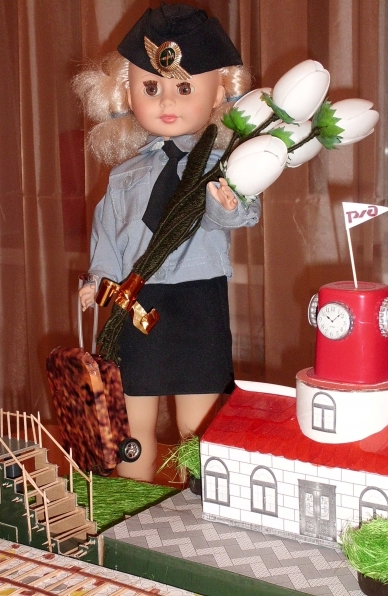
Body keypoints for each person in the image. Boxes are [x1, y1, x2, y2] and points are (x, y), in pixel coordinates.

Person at [75, 4, 261, 482]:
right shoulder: (125, 175)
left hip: (199, 302)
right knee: (134, 415)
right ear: (127, 92)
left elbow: (243, 212)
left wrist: (223, 204)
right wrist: (98, 278)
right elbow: (108, 233)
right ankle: (133, 498)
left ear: (219, 91)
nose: (166, 102)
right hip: (136, 302)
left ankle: (200, 499)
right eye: (151, 88)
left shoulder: (224, 164)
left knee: (197, 423)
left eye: (184, 88)